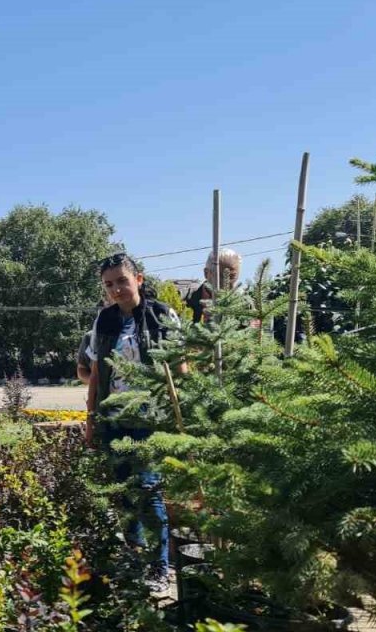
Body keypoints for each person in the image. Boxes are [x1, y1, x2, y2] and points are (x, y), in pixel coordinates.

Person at [84, 253, 179, 590]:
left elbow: (179, 368)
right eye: (109, 284)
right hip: (114, 417)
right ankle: (134, 556)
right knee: (123, 491)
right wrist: (91, 418)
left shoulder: (161, 315)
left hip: (149, 418)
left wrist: (183, 412)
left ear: (138, 279)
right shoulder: (105, 320)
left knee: (149, 490)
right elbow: (96, 373)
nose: (116, 289)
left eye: (122, 281)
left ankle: (160, 567)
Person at [186, 248, 242, 323]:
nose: (226, 282)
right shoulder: (188, 303)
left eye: (232, 277)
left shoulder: (245, 305)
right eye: (220, 276)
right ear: (206, 273)